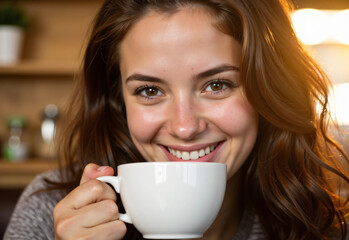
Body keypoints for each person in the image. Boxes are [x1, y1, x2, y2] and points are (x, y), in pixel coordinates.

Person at [4, 0, 349, 239]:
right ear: (118, 100)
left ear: (270, 89)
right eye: (150, 91)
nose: (184, 127)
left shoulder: (322, 213)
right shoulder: (49, 211)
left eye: (217, 85)